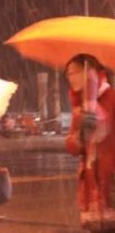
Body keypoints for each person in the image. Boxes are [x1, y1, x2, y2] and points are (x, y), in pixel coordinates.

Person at [64, 54, 115, 231]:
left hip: (111, 180)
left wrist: (103, 126)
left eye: (74, 72)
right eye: (68, 74)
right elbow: (71, 147)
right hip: (91, 183)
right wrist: (80, 136)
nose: (71, 78)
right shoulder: (80, 107)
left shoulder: (111, 98)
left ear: (89, 71)